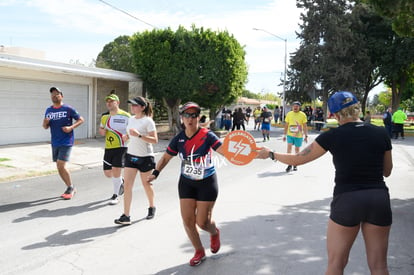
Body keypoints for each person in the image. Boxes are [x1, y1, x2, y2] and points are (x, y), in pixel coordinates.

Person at [257, 91, 393, 275]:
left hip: (348, 200)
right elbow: (387, 171)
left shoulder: (332, 136)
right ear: (357, 109)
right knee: (379, 266)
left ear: (335, 114)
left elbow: (297, 159)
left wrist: (271, 154)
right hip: (378, 198)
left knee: (336, 263)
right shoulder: (380, 133)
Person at [148, 102, 223, 267]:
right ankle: (199, 251)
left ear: (198, 117)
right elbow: (166, 157)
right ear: (182, 118)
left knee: (202, 222)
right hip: (187, 183)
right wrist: (156, 172)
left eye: (194, 115)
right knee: (188, 220)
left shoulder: (207, 135)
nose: (190, 119)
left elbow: (225, 150)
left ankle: (214, 232)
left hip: (207, 182)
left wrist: (249, 153)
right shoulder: (179, 139)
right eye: (187, 115)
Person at [114, 96, 158, 224]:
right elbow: (131, 134)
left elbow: (154, 140)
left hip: (145, 157)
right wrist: (127, 136)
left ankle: (151, 206)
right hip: (131, 156)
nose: (132, 107)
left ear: (142, 107)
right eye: (131, 105)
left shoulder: (148, 121)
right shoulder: (131, 119)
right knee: (127, 185)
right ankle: (126, 216)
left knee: (146, 184)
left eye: (135, 105)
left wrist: (139, 135)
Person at [42, 87, 84, 199]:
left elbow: (81, 119)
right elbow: (45, 127)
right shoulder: (49, 110)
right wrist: (45, 122)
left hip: (66, 141)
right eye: (52, 94)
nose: (54, 96)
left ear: (62, 96)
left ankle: (71, 187)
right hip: (55, 142)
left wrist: (71, 127)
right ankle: (70, 186)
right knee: (59, 167)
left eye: (57, 94)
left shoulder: (68, 108)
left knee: (61, 164)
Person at [99, 93, 130, 205]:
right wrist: (102, 132)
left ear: (117, 103)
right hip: (109, 148)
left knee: (116, 170)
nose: (109, 103)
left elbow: (132, 130)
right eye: (107, 101)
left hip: (121, 147)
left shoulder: (126, 116)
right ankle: (120, 182)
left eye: (111, 101)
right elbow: (101, 130)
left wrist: (128, 136)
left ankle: (115, 195)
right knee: (108, 173)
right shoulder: (104, 117)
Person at [283, 101, 308, 172]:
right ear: (292, 107)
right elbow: (286, 125)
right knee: (289, 149)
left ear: (299, 107)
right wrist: (284, 135)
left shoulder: (303, 115)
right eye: (294, 106)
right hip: (290, 134)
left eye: (297, 106)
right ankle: (289, 164)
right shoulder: (289, 114)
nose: (295, 107)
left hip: (298, 135)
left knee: (297, 150)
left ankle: (295, 164)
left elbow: (305, 126)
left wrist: (306, 136)